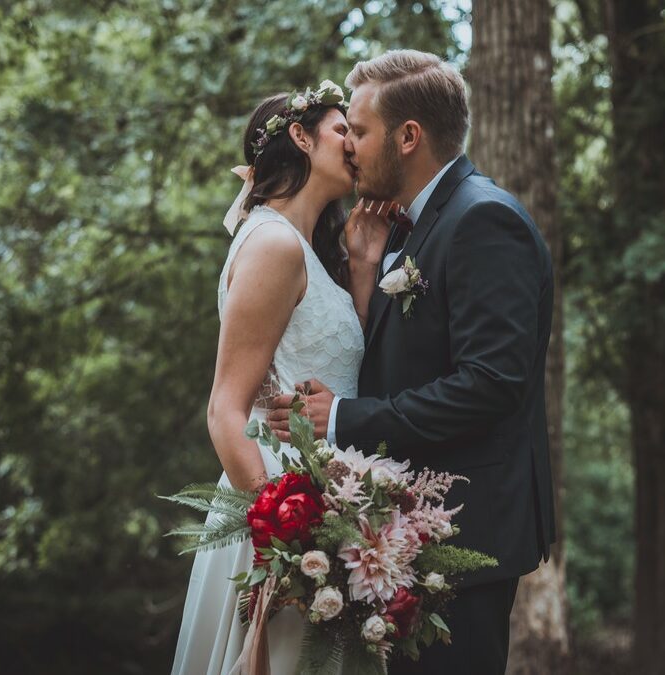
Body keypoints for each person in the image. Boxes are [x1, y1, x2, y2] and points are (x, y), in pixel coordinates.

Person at [266, 50, 556, 675]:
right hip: (408, 535)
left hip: (469, 535)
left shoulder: (483, 220)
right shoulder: (407, 227)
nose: (351, 149)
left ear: (408, 137)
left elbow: (490, 384)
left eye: (361, 132)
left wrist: (344, 419)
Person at [170, 81, 394, 674]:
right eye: (342, 129)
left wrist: (365, 268)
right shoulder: (272, 244)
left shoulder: (304, 250)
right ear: (300, 136)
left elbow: (341, 369)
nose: (353, 143)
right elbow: (225, 409)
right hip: (283, 507)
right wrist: (282, 539)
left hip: (331, 499)